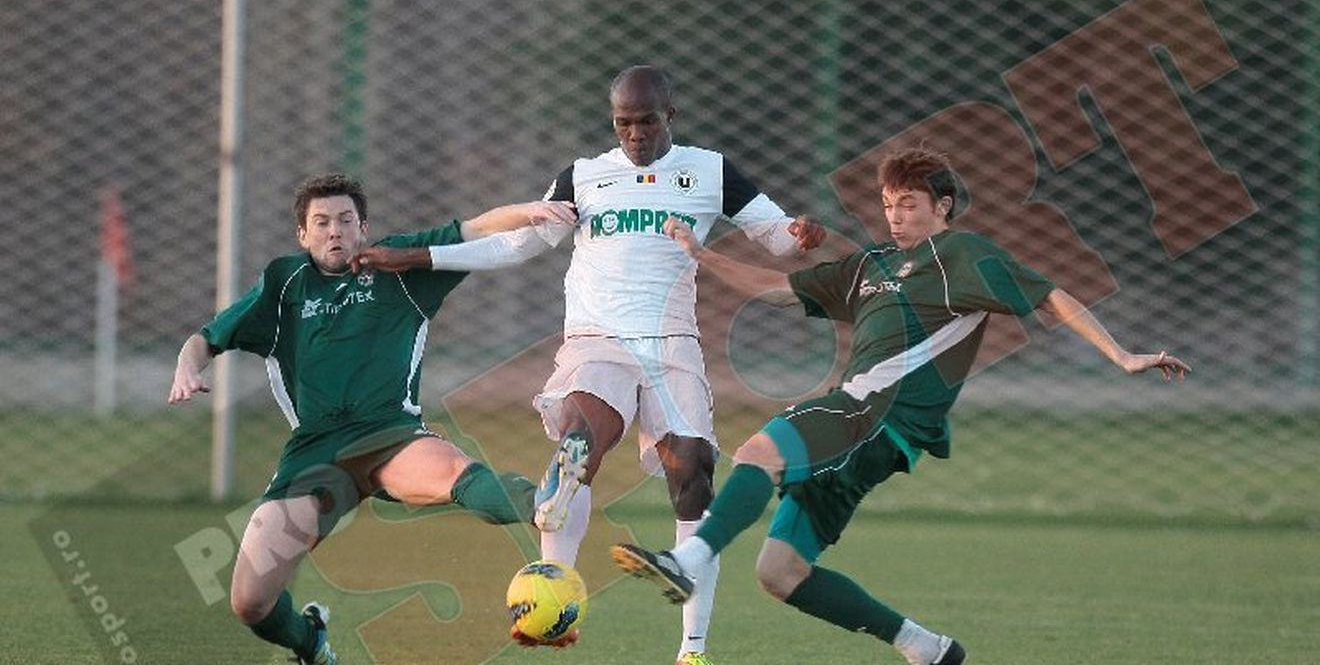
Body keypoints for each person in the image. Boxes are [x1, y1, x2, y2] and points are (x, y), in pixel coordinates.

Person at [610, 146, 1190, 665]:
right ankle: (924, 647)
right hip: (867, 431)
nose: (895, 215)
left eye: (909, 204)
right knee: (779, 574)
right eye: (889, 204)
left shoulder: (959, 255)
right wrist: (699, 254)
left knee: (760, 449)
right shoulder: (870, 266)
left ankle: (690, 561)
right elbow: (781, 291)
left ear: (943, 207)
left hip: (875, 413)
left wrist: (1121, 354)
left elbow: (1050, 296)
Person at [353, 65, 826, 664]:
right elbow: (518, 243)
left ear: (670, 117)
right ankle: (557, 573)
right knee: (585, 433)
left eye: (647, 121)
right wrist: (422, 256)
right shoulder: (583, 177)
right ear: (613, 121)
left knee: (694, 473)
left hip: (671, 339)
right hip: (598, 336)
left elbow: (776, 237)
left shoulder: (709, 170)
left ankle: (691, 651)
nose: (634, 133)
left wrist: (801, 233)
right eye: (623, 122)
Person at [167, 174, 576, 665]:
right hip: (315, 455)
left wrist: (531, 210)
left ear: (363, 227)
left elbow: (475, 230)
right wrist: (186, 370)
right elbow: (207, 338)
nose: (334, 231)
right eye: (321, 223)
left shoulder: (398, 263)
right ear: (303, 234)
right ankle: (310, 640)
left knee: (452, 472)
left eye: (345, 220)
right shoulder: (284, 283)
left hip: (390, 435)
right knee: (250, 602)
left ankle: (542, 500)